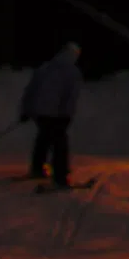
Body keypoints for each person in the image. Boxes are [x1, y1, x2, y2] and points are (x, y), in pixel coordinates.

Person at [19, 41, 83, 187]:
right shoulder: (72, 72)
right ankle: (60, 175)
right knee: (60, 143)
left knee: (44, 138)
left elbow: (30, 91)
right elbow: (71, 96)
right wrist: (67, 115)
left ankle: (37, 167)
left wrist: (26, 110)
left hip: (40, 112)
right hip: (58, 114)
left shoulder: (45, 68)